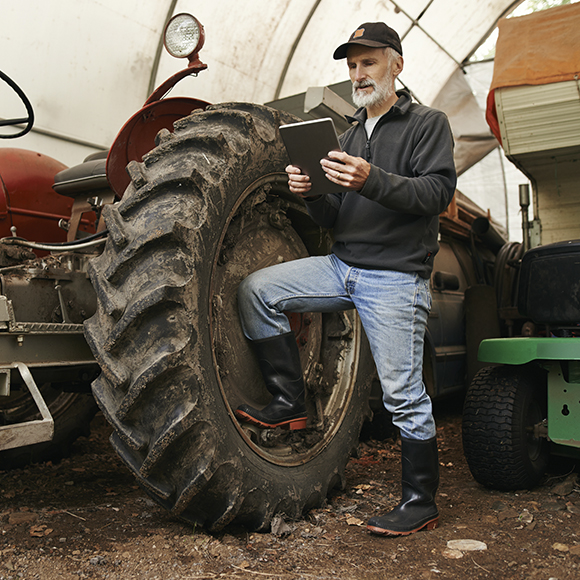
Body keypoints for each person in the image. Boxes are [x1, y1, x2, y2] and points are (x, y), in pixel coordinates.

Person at [235, 22, 456, 537]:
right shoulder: (349, 134)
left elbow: (435, 196)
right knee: (257, 291)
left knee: (403, 395)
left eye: (369, 62)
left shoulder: (427, 123)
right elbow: (333, 219)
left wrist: (369, 178)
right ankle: (289, 402)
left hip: (395, 276)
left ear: (396, 64)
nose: (359, 74)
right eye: (352, 66)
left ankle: (421, 501)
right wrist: (309, 191)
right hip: (342, 266)